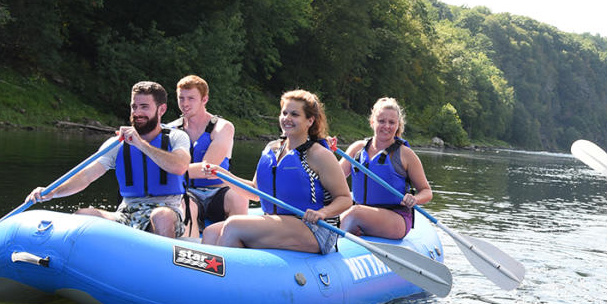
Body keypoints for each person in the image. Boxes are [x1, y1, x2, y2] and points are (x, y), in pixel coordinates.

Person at [27, 81, 190, 237]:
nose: (137, 113)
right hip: (127, 213)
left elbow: (180, 166)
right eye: (134, 107)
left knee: (161, 216)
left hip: (167, 209)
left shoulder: (177, 137)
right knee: (83, 215)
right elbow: (86, 176)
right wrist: (51, 192)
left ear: (161, 110)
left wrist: (141, 144)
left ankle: (161, 262)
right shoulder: (116, 144)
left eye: (144, 107)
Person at [201, 89, 352, 252]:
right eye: (284, 113)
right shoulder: (272, 149)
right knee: (210, 233)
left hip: (314, 229)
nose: (287, 118)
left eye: (294, 114)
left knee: (233, 226)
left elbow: (344, 198)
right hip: (277, 222)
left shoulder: (319, 155)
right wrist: (223, 175)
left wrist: (323, 212)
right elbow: (255, 192)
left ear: (310, 120)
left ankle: (229, 274)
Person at [335, 97, 433, 239]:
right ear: (372, 122)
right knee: (339, 208)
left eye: (392, 122)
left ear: (398, 125)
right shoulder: (357, 149)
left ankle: (332, 242)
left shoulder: (405, 154)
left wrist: (415, 199)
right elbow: (333, 180)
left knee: (354, 213)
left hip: (395, 217)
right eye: (381, 121)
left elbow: (427, 192)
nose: (386, 126)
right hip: (362, 212)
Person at [167, 75, 249, 237]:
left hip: (219, 192)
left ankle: (239, 248)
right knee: (185, 204)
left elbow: (208, 167)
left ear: (204, 99)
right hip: (188, 193)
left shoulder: (223, 127)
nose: (185, 104)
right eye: (181, 98)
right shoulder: (171, 130)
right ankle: (189, 250)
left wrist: (171, 168)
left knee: (239, 197)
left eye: (191, 98)